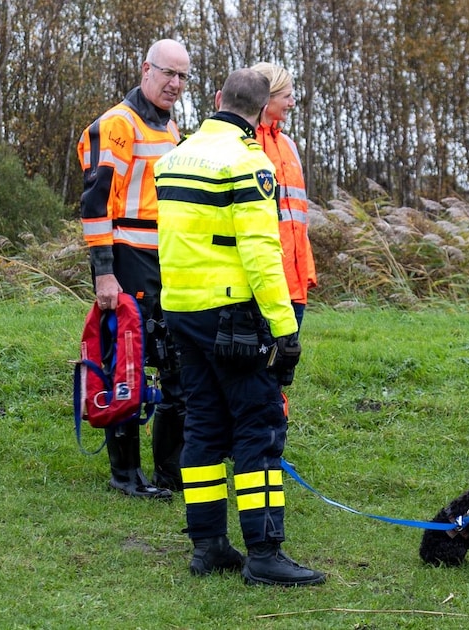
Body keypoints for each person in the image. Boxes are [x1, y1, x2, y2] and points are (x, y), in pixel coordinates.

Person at [154, 68, 325, 586]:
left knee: (204, 426)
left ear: (217, 99)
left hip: (181, 311)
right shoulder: (249, 163)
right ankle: (265, 553)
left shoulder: (174, 157)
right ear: (257, 111)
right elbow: (261, 255)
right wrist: (283, 330)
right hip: (233, 318)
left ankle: (208, 546)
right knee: (259, 426)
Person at [76, 39, 193, 499]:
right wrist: (103, 271)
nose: (176, 84)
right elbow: (95, 201)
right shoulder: (117, 124)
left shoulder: (172, 128)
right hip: (127, 259)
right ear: (146, 70)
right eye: (169, 74)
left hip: (167, 262)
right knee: (126, 366)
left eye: (184, 77)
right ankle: (125, 475)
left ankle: (171, 471)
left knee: (174, 364)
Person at [249, 62, 317, 330]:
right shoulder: (244, 141)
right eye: (286, 95)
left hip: (295, 281)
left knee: (286, 364)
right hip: (261, 282)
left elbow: (298, 218)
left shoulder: (289, 145)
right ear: (266, 98)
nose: (292, 102)